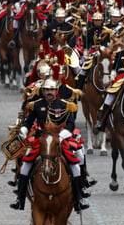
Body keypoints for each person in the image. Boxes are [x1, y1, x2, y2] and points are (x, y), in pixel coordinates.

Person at [11, 78, 90, 214]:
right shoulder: (36, 105)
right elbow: (29, 122)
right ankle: (20, 199)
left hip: (60, 138)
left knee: (76, 165)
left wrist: (61, 136)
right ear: (43, 91)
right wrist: (23, 131)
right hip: (41, 140)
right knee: (25, 166)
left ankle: (79, 199)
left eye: (52, 90)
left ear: (56, 91)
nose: (49, 92)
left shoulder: (65, 105)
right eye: (47, 90)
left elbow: (71, 124)